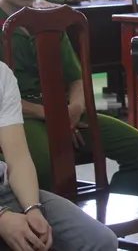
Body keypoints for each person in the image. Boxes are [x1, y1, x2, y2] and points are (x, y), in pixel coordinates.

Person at [0, 0, 138, 194]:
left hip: (62, 112)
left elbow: (76, 77)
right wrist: (51, 114)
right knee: (44, 164)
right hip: (15, 117)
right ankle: (41, 217)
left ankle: (105, 214)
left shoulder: (48, 19)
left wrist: (74, 109)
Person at [0, 59, 118, 250]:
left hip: (5, 189)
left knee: (99, 241)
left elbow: (18, 159)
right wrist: (2, 218)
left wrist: (33, 209)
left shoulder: (2, 75)